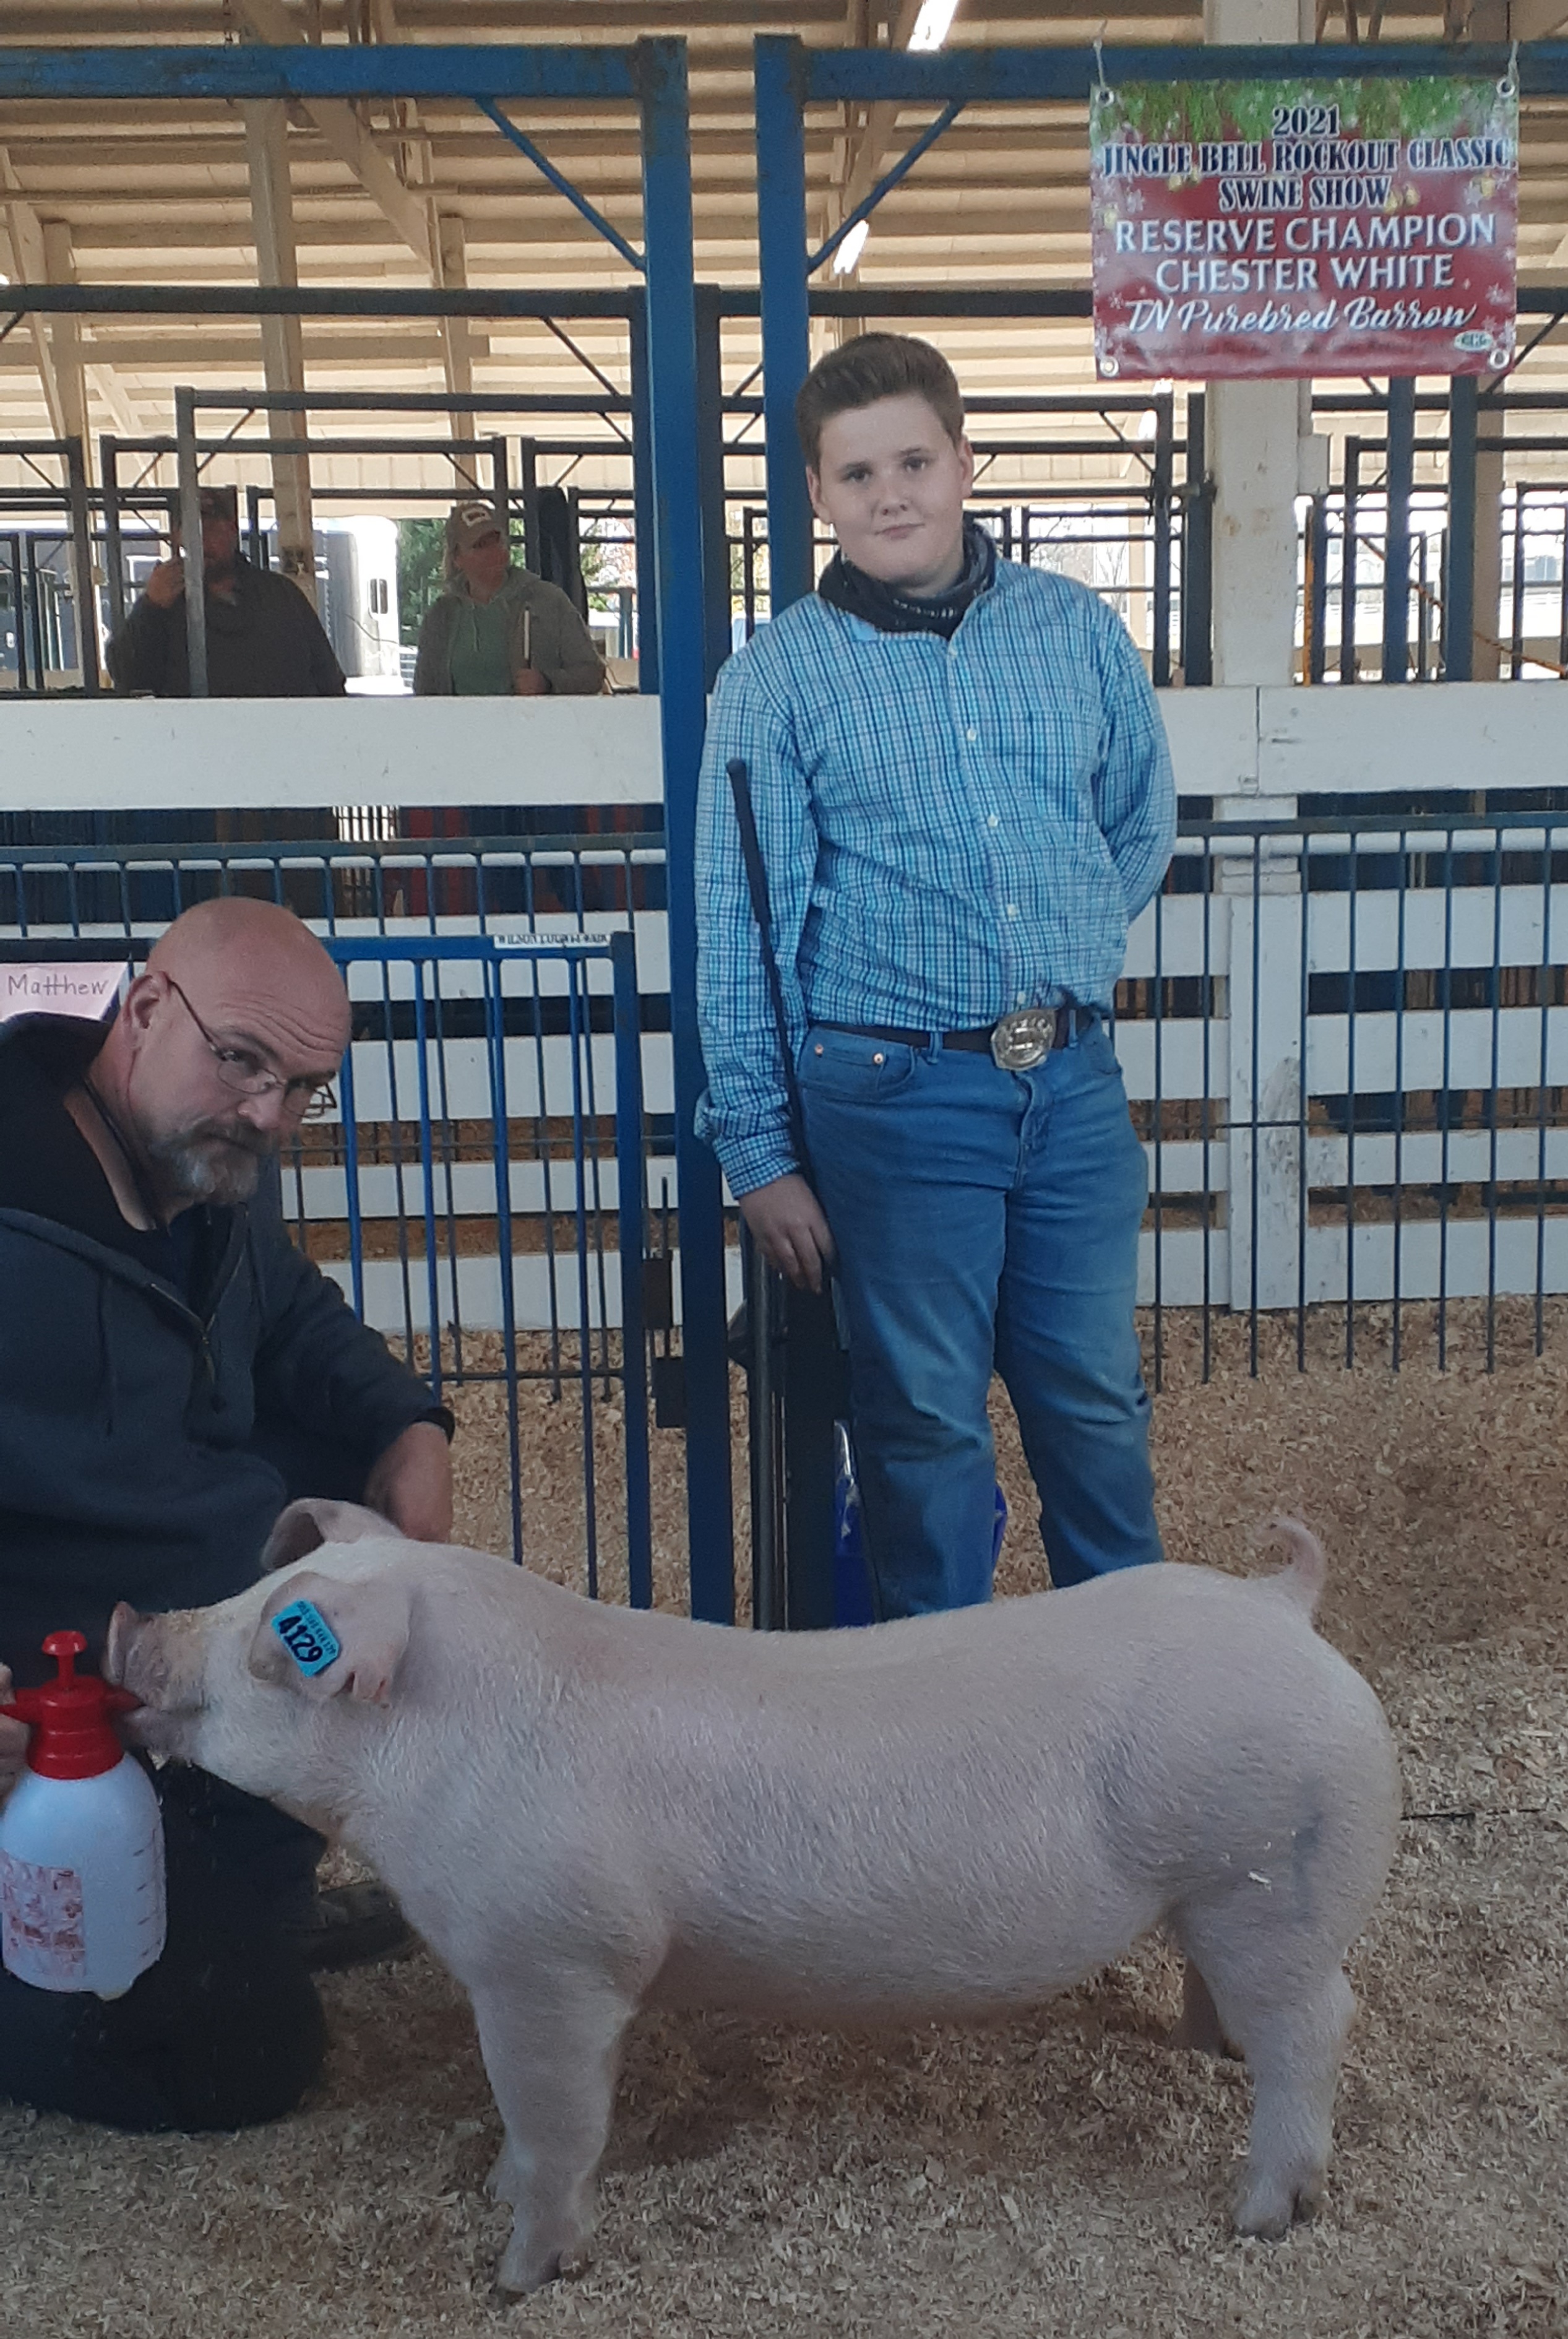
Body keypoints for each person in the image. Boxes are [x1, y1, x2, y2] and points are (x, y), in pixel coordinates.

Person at [694, 334, 1176, 1622]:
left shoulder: (1072, 630)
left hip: (1067, 1079)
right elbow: (742, 916)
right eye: (857, 473)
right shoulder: (777, 679)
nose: (890, 493)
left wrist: (1049, 951)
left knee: (1093, 1395)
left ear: (966, 462)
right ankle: (943, 1739)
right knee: (924, 1423)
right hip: (892, 1091)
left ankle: (1128, 1705)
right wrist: (756, 1149)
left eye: (914, 459)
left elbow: (1135, 824)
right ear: (815, 493)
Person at [0, 896, 454, 2130]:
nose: (268, 1112)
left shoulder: (206, 1162)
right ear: (145, 1007)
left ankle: (249, 1884)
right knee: (230, 2058)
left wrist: (409, 1420)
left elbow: (294, 1317)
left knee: (234, 1979)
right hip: (61, 1694)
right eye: (243, 1059)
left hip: (209, 1640)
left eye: (304, 1085)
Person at [106, 483, 347, 699]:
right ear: (177, 538)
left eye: (211, 530)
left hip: (287, 739)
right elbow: (128, 678)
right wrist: (151, 607)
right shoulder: (165, 605)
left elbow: (329, 680)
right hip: (197, 743)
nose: (202, 541)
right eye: (192, 531)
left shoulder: (282, 595)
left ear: (232, 531)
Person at [412, 499, 605, 698]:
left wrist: (548, 682)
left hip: (531, 727)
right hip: (459, 729)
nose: (492, 551)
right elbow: (424, 690)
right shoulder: (442, 615)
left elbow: (592, 674)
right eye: (479, 545)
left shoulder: (548, 601)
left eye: (495, 540)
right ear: (457, 558)